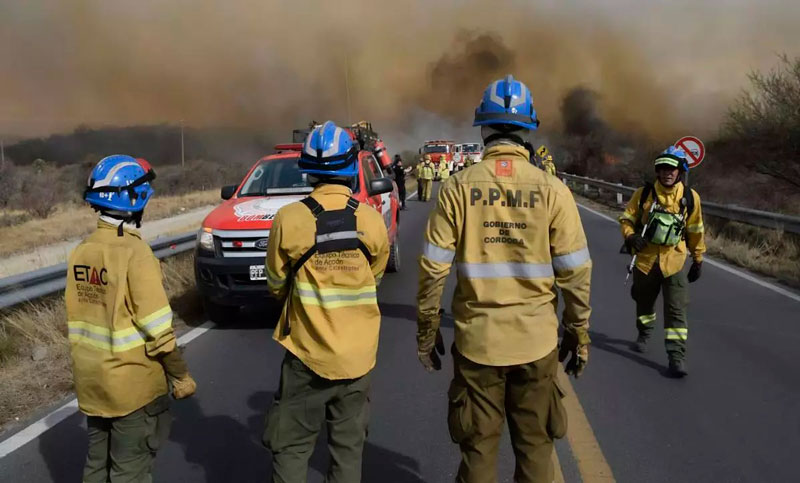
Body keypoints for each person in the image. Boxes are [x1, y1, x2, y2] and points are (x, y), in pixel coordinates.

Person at [416, 75, 593, 483]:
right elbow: (576, 271)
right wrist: (577, 333)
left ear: (483, 128)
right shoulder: (552, 190)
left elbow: (432, 268)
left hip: (478, 344)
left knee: (478, 452)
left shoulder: (458, 187)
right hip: (536, 343)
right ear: (529, 128)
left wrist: (427, 330)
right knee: (536, 452)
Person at [263, 121, 389, 483]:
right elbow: (375, 276)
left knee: (291, 448)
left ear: (307, 168)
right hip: (358, 359)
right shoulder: (369, 220)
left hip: (307, 356)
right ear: (351, 166)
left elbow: (275, 282)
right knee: (348, 451)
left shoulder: (289, 219)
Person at [67, 155, 196, 483]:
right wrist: (180, 377)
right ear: (133, 198)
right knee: (130, 471)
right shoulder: (135, 254)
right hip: (132, 390)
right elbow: (158, 330)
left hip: (93, 385)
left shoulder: (81, 252)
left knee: (96, 467)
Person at [619, 146, 705, 377]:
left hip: (674, 261)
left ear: (679, 171)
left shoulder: (690, 197)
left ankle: (676, 357)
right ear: (657, 171)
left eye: (672, 169)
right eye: (663, 169)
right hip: (646, 261)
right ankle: (644, 333)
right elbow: (626, 219)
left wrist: (698, 259)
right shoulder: (643, 194)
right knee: (644, 304)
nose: (668, 173)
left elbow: (696, 230)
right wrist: (631, 236)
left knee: (676, 310)